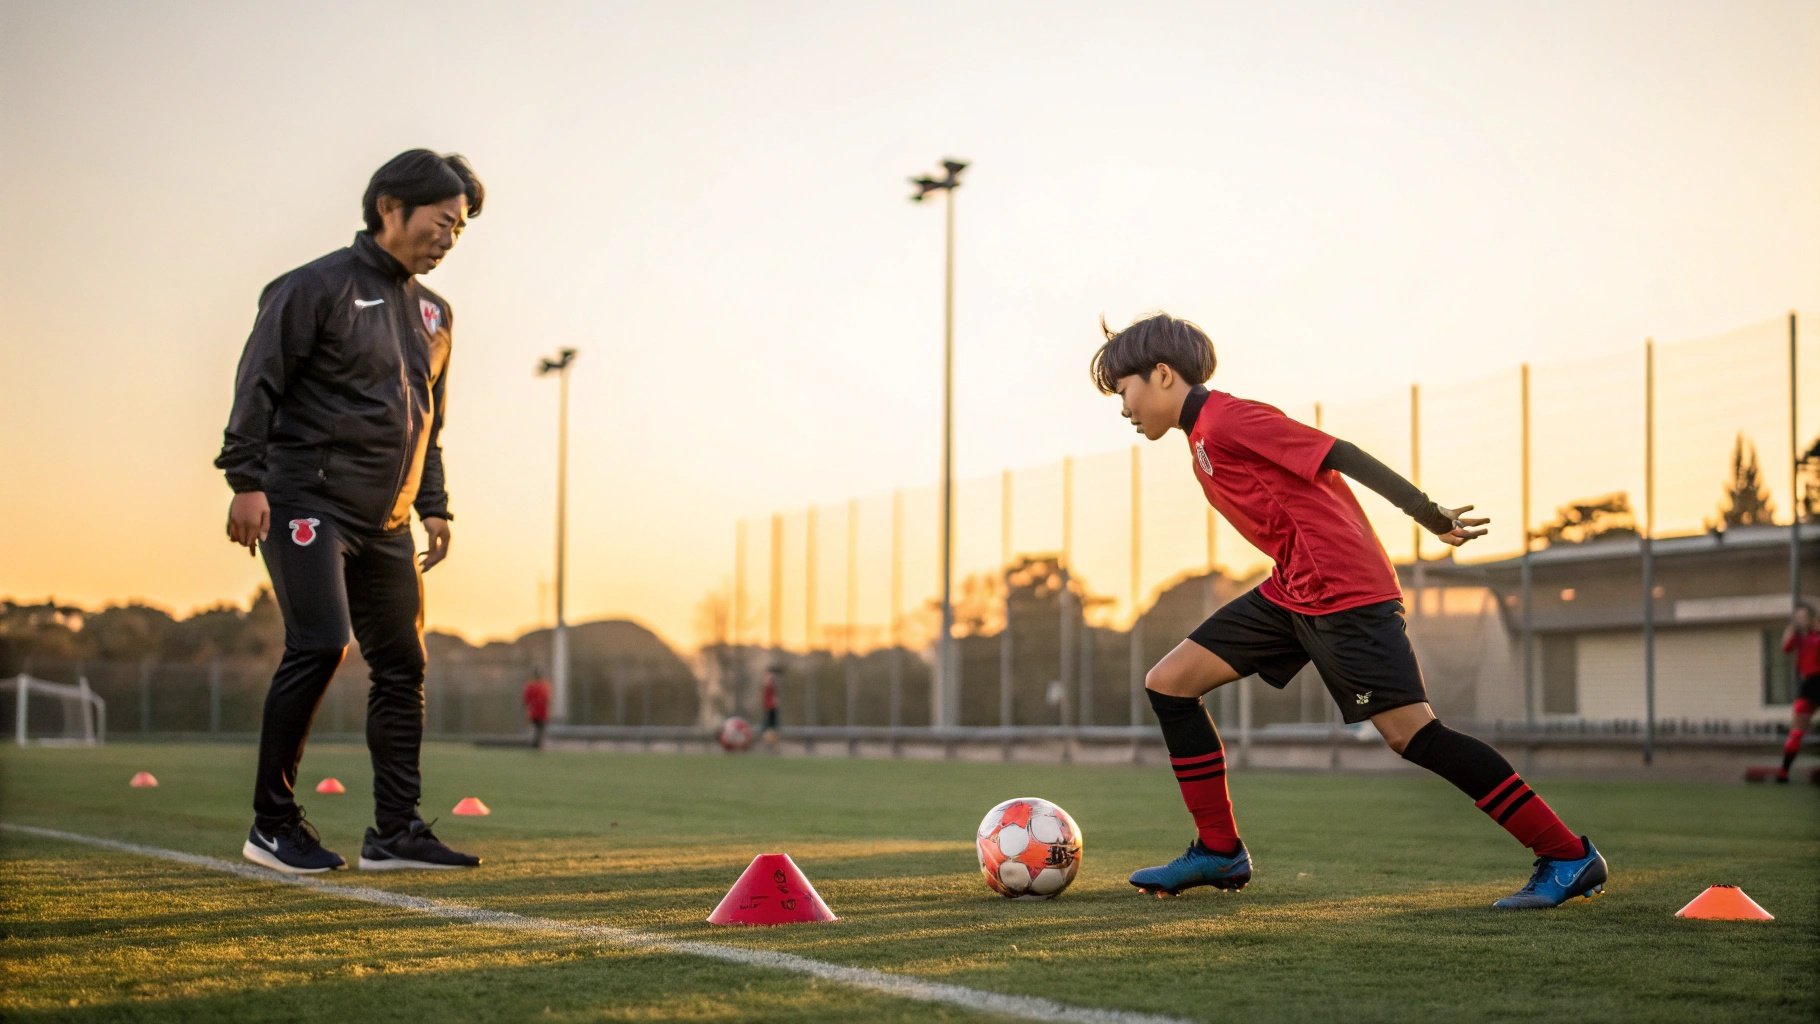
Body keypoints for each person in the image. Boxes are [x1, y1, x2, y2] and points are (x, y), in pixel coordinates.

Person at [1090, 312, 1606, 910]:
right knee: (1170, 683)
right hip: (1292, 590)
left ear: (1161, 374)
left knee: (1413, 735)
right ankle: (1219, 850)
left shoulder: (1228, 418)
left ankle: (1567, 854)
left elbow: (1339, 453)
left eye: (1123, 391)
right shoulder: (1201, 436)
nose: (1124, 409)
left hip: (1345, 592)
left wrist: (1426, 512)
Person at [218, 149, 486, 873]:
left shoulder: (436, 314)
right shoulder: (314, 286)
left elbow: (427, 421)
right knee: (320, 644)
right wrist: (246, 479)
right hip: (307, 498)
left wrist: (434, 505)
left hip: (388, 521)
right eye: (442, 221)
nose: (449, 238)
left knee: (403, 664)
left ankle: (395, 832)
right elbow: (259, 381)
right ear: (390, 206)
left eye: (459, 229)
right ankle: (272, 824)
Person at [1776, 603, 1820, 783]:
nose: (1800, 620)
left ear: (1812, 618)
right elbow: (1785, 648)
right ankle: (1783, 772)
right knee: (1796, 731)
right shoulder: (1799, 637)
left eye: (1803, 617)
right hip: (1810, 683)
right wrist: (1792, 628)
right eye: (1797, 617)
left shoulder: (1816, 636)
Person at [523, 667, 553, 750]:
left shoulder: (530, 686)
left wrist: (527, 709)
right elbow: (548, 699)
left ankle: (535, 744)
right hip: (541, 711)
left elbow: (526, 699)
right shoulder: (545, 686)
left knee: (535, 728)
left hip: (535, 711)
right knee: (540, 729)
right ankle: (537, 744)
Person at [760, 666, 781, 746]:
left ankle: (772, 742)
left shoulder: (772, 685)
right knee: (768, 727)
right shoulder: (768, 685)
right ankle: (769, 742)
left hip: (772, 707)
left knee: (772, 727)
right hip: (769, 707)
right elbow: (765, 684)